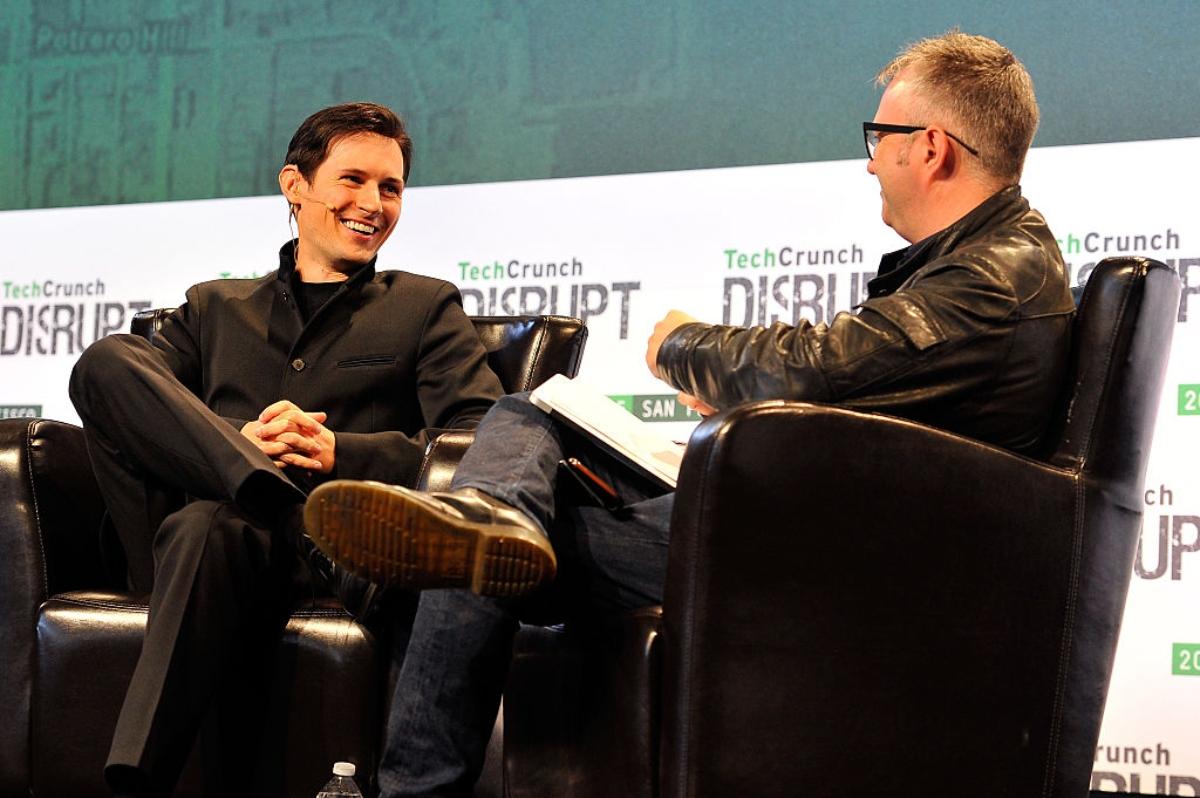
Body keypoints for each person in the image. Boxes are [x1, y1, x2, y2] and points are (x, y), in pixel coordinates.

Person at [303, 31, 1076, 797]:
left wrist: (680, 345)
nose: (872, 159)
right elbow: (866, 392)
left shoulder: (991, 278)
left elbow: (814, 368)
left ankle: (418, 766)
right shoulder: (992, 262)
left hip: (830, 558)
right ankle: (490, 515)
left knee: (461, 539)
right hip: (827, 531)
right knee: (525, 419)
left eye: (881, 137)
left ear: (933, 148)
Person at [67, 102, 504, 797]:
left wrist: (342, 454)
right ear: (294, 185)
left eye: (390, 188)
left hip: (329, 557)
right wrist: (239, 445)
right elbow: (130, 411)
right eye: (353, 179)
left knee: (205, 521)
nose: (373, 203)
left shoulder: (422, 307)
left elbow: (479, 437)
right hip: (195, 556)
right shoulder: (212, 309)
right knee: (109, 362)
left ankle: (135, 787)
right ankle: (262, 487)